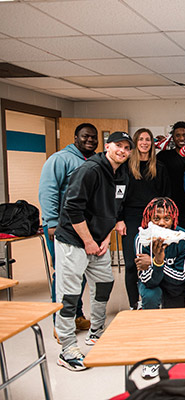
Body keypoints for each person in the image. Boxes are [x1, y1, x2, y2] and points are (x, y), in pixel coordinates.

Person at [54, 131, 132, 371]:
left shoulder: (122, 174)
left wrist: (105, 238)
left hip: (98, 241)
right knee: (69, 295)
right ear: (107, 146)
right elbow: (73, 209)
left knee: (105, 284)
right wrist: (88, 241)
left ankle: (96, 332)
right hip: (73, 240)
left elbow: (113, 210)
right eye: (118, 145)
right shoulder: (90, 171)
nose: (122, 151)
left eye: (127, 148)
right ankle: (67, 349)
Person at [38, 123, 97, 334]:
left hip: (83, 227)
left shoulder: (94, 161)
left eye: (93, 137)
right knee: (64, 275)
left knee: (78, 273)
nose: (90, 140)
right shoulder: (60, 159)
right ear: (75, 138)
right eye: (85, 137)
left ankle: (77, 315)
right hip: (61, 227)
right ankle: (60, 323)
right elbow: (48, 191)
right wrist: (52, 222)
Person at [118, 128, 170, 310]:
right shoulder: (125, 167)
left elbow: (166, 197)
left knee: (156, 259)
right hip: (131, 217)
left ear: (152, 143)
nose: (144, 143)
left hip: (154, 219)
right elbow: (118, 197)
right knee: (133, 262)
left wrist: (166, 221)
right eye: (141, 139)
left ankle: (155, 299)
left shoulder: (160, 167)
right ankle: (134, 303)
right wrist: (119, 220)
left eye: (148, 139)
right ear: (135, 142)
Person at [135, 197, 185, 310]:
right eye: (156, 219)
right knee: (151, 295)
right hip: (152, 285)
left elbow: (181, 277)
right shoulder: (142, 239)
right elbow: (147, 280)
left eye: (167, 219)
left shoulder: (184, 239)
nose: (161, 223)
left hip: (174, 286)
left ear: (173, 220)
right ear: (149, 220)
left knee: (175, 320)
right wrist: (158, 262)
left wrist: (155, 262)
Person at [156, 121, 185, 233]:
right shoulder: (163, 156)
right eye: (178, 135)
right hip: (169, 211)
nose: (182, 138)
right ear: (173, 138)